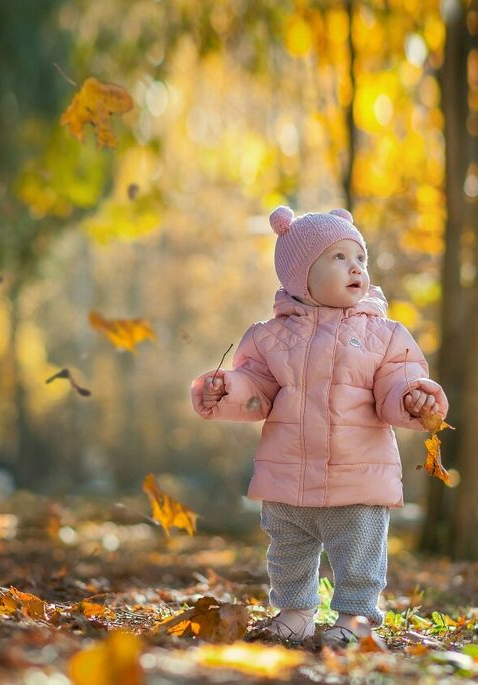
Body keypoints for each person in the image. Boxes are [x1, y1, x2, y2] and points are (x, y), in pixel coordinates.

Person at [190, 205, 448, 646]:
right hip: (288, 475)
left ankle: (356, 619)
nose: (356, 268)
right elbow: (258, 391)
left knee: (360, 557)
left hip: (356, 475)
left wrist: (413, 396)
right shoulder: (269, 336)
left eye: (361, 259)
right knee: (288, 553)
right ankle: (294, 613)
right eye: (339, 258)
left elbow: (395, 383)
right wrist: (226, 389)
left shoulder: (384, 335)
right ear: (300, 275)